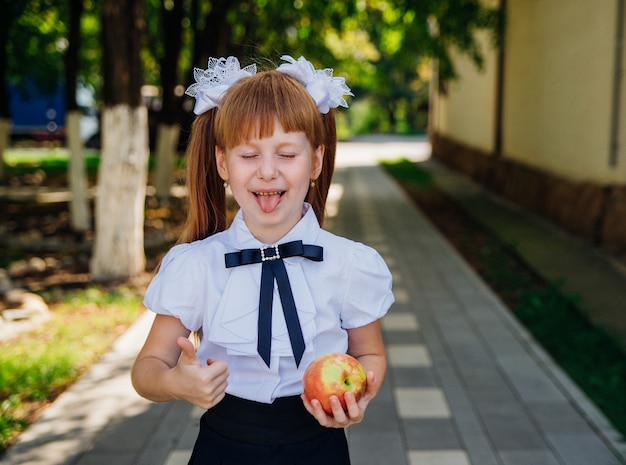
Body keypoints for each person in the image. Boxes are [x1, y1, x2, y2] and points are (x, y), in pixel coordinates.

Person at [131, 55, 394, 465]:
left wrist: (358, 396)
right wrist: (176, 383)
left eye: (287, 154)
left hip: (319, 449)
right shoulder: (196, 265)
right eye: (249, 155)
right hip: (223, 449)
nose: (267, 172)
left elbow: (369, 355)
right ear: (222, 163)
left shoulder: (350, 264)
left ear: (317, 162)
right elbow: (145, 369)